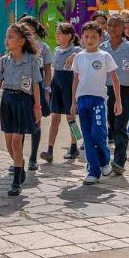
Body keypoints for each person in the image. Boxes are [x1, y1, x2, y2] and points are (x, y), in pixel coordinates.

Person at [0, 23, 42, 196]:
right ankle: (20, 165)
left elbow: (36, 86)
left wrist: (37, 107)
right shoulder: (4, 61)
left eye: (11, 37)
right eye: (7, 37)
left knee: (16, 142)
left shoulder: (31, 60)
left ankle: (16, 182)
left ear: (21, 41)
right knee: (9, 144)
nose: (7, 40)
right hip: (7, 101)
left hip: (23, 101)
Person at [71, 20, 118, 185]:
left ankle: (105, 160)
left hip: (98, 100)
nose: (89, 40)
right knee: (87, 137)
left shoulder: (104, 56)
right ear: (81, 38)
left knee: (98, 133)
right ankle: (93, 171)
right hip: (82, 100)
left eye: (93, 37)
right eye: (86, 36)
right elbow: (75, 81)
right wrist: (73, 102)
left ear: (100, 38)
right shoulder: (79, 57)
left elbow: (115, 79)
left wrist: (118, 101)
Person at [100, 15, 129, 174]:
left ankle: (119, 160)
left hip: (124, 91)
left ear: (123, 28)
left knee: (120, 125)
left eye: (116, 25)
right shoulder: (102, 48)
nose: (112, 28)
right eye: (109, 25)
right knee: (111, 124)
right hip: (105, 90)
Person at [44, 22, 82, 162]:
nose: (57, 36)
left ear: (69, 36)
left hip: (69, 85)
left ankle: (74, 146)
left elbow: (86, 54)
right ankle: (49, 150)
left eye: (59, 33)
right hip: (57, 86)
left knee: (71, 118)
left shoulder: (77, 50)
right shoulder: (56, 50)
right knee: (55, 117)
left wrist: (75, 56)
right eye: (57, 33)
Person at [18, 15, 51, 173]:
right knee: (19, 125)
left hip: (37, 88)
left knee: (36, 122)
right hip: (21, 89)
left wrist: (47, 90)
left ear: (35, 31)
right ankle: (18, 160)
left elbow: (47, 70)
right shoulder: (18, 46)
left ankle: (33, 159)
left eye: (29, 29)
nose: (26, 32)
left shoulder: (43, 47)